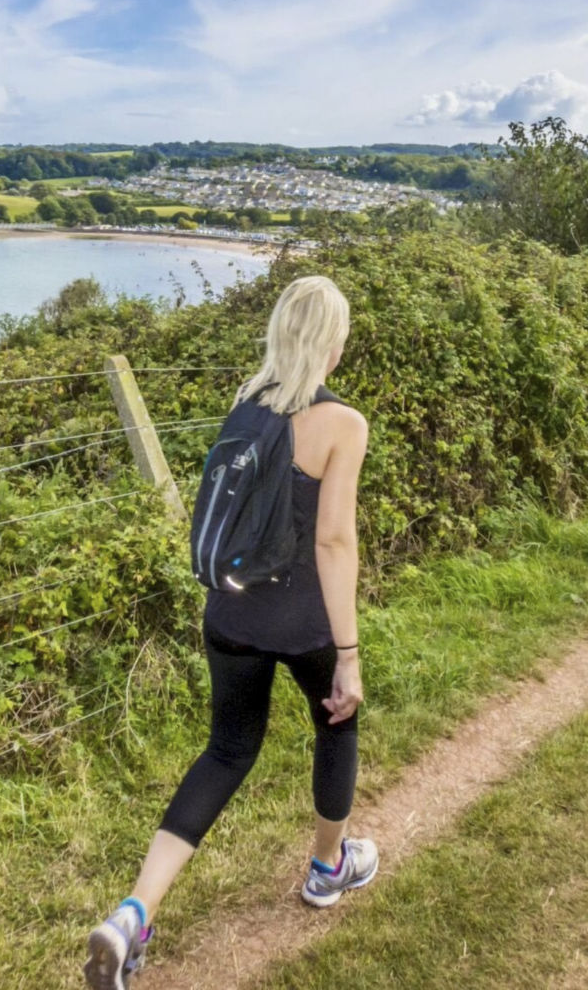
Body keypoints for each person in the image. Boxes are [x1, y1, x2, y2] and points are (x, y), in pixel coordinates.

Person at [85, 276, 374, 990]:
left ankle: (132, 915)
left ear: (279, 334)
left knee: (225, 752)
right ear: (334, 345)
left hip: (232, 616)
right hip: (303, 620)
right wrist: (348, 655)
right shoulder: (344, 424)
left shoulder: (245, 408)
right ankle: (327, 869)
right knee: (337, 721)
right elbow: (334, 544)